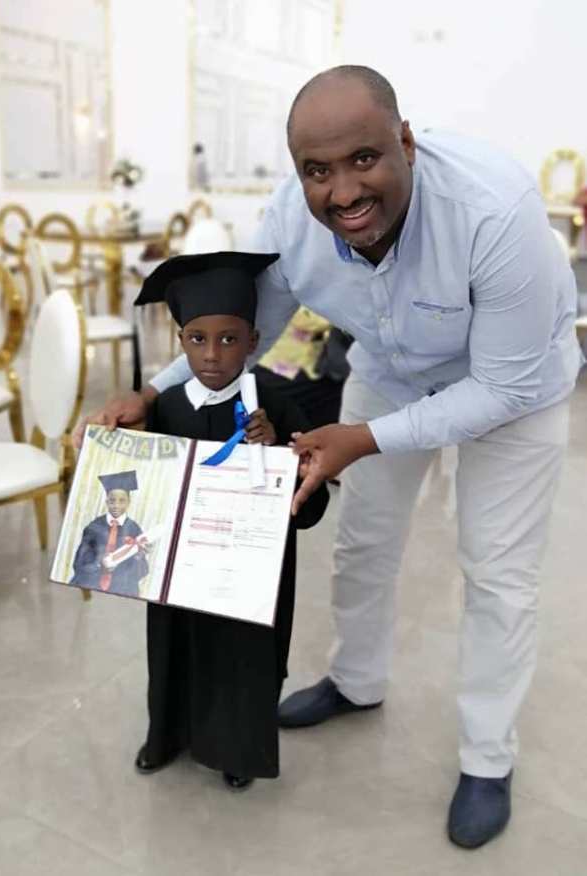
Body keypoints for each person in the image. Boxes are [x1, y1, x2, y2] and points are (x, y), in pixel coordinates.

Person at [75, 66, 582, 846]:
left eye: (365, 160)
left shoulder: (495, 212)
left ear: (406, 142)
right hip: (389, 372)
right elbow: (247, 330)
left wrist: (363, 439)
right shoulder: (290, 223)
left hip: (515, 392)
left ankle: (487, 757)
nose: (343, 192)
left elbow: (501, 388)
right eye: (318, 171)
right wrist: (150, 391)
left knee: (497, 575)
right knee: (364, 541)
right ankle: (356, 681)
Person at [132, 250, 329, 791]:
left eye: (229, 339)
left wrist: (277, 457)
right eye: (197, 339)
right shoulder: (166, 408)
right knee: (176, 643)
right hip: (183, 563)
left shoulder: (279, 408)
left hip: (251, 570)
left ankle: (237, 748)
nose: (213, 355)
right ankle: (166, 735)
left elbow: (308, 507)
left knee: (242, 655)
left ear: (254, 342)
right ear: (180, 342)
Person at [71, 470, 149, 597]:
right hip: (93, 582)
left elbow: (142, 572)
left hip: (122, 587)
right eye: (112, 501)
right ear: (106, 501)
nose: (116, 506)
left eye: (122, 501)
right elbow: (79, 563)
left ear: (129, 502)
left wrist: (138, 556)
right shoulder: (94, 527)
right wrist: (99, 565)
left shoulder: (134, 529)